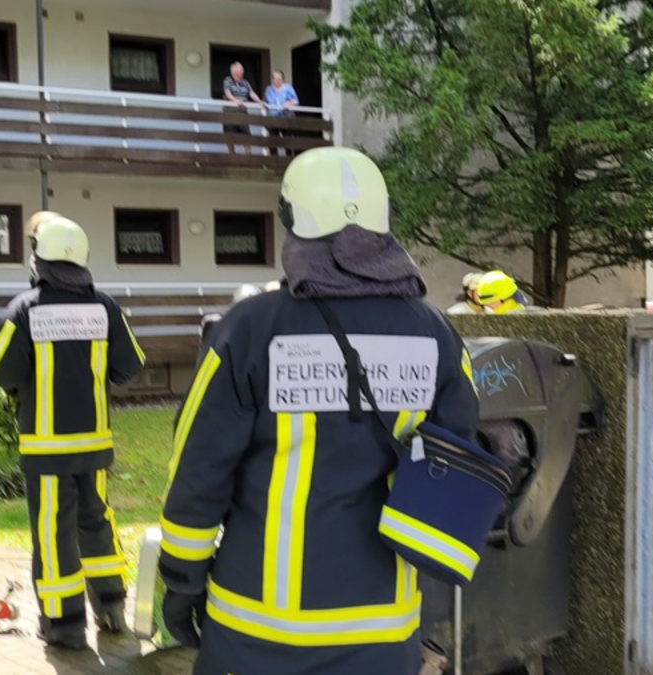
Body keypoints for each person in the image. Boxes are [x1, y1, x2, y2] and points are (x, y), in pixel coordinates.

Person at [158, 147, 480, 675]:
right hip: (382, 629)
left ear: (291, 222)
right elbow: (454, 465)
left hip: (254, 630)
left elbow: (197, 473)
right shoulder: (437, 333)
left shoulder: (249, 329)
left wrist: (182, 580)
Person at [0, 214, 145, 649]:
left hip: (46, 447)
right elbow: (131, 365)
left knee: (55, 534)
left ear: (39, 258)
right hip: (94, 446)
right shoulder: (104, 306)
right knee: (97, 522)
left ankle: (64, 625)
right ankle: (111, 607)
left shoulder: (25, 308)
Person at [223, 62, 267, 155]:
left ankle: (249, 156)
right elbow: (228, 93)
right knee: (229, 137)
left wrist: (259, 101)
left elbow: (251, 93)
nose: (241, 75)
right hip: (229, 113)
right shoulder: (227, 80)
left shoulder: (245, 82)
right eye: (239, 73)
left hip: (243, 113)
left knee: (246, 136)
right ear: (233, 73)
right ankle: (232, 157)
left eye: (242, 73)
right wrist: (236, 100)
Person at [264, 71, 299, 156]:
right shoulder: (269, 90)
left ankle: (288, 160)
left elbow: (295, 100)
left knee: (287, 140)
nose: (277, 81)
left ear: (282, 80)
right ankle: (273, 161)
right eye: (275, 79)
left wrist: (288, 104)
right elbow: (267, 102)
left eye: (279, 79)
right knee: (273, 141)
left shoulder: (288, 88)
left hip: (285, 117)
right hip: (273, 117)